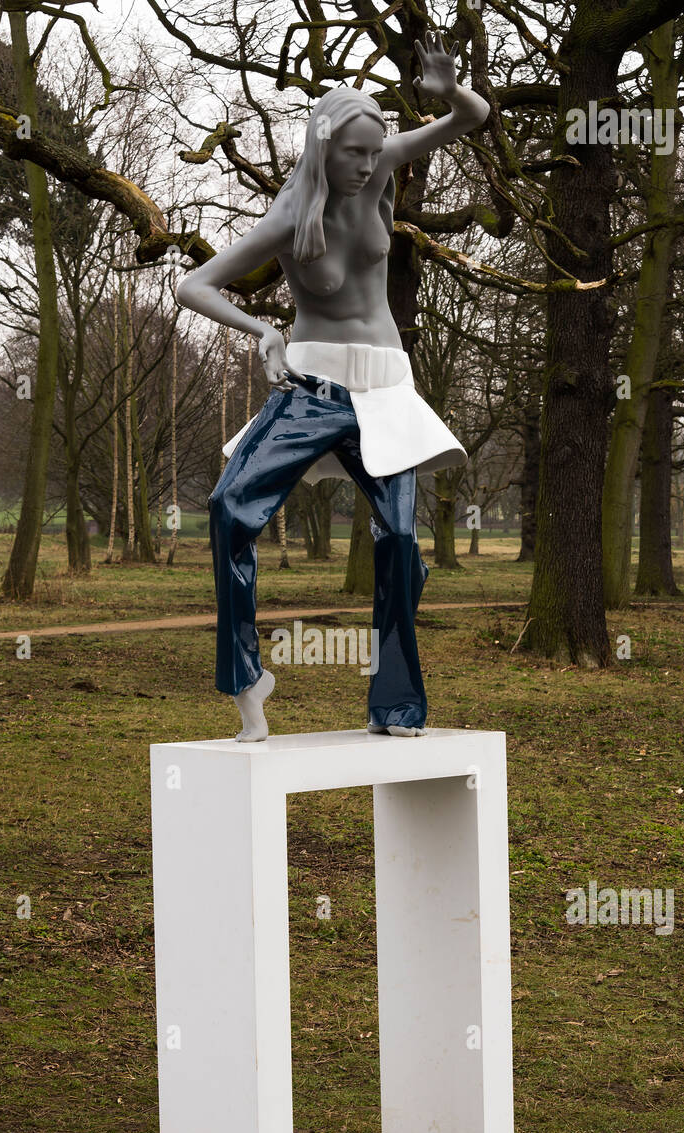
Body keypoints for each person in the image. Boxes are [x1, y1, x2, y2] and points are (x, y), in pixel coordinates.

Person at [175, 30, 490, 740]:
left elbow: (471, 118)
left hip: (384, 389)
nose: (367, 163)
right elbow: (192, 284)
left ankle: (396, 703)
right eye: (353, 151)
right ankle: (246, 676)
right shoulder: (289, 216)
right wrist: (262, 331)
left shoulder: (379, 169)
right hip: (311, 390)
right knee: (230, 509)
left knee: (400, 543)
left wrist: (444, 89)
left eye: (374, 151)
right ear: (323, 144)